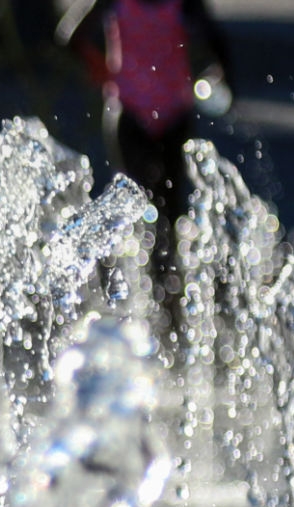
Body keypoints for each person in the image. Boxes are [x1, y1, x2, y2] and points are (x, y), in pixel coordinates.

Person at [60, 0, 233, 306]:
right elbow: (72, 37)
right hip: (138, 115)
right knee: (142, 207)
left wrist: (104, 73)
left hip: (159, 113)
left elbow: (72, 38)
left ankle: (163, 293)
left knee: (164, 210)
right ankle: (146, 293)